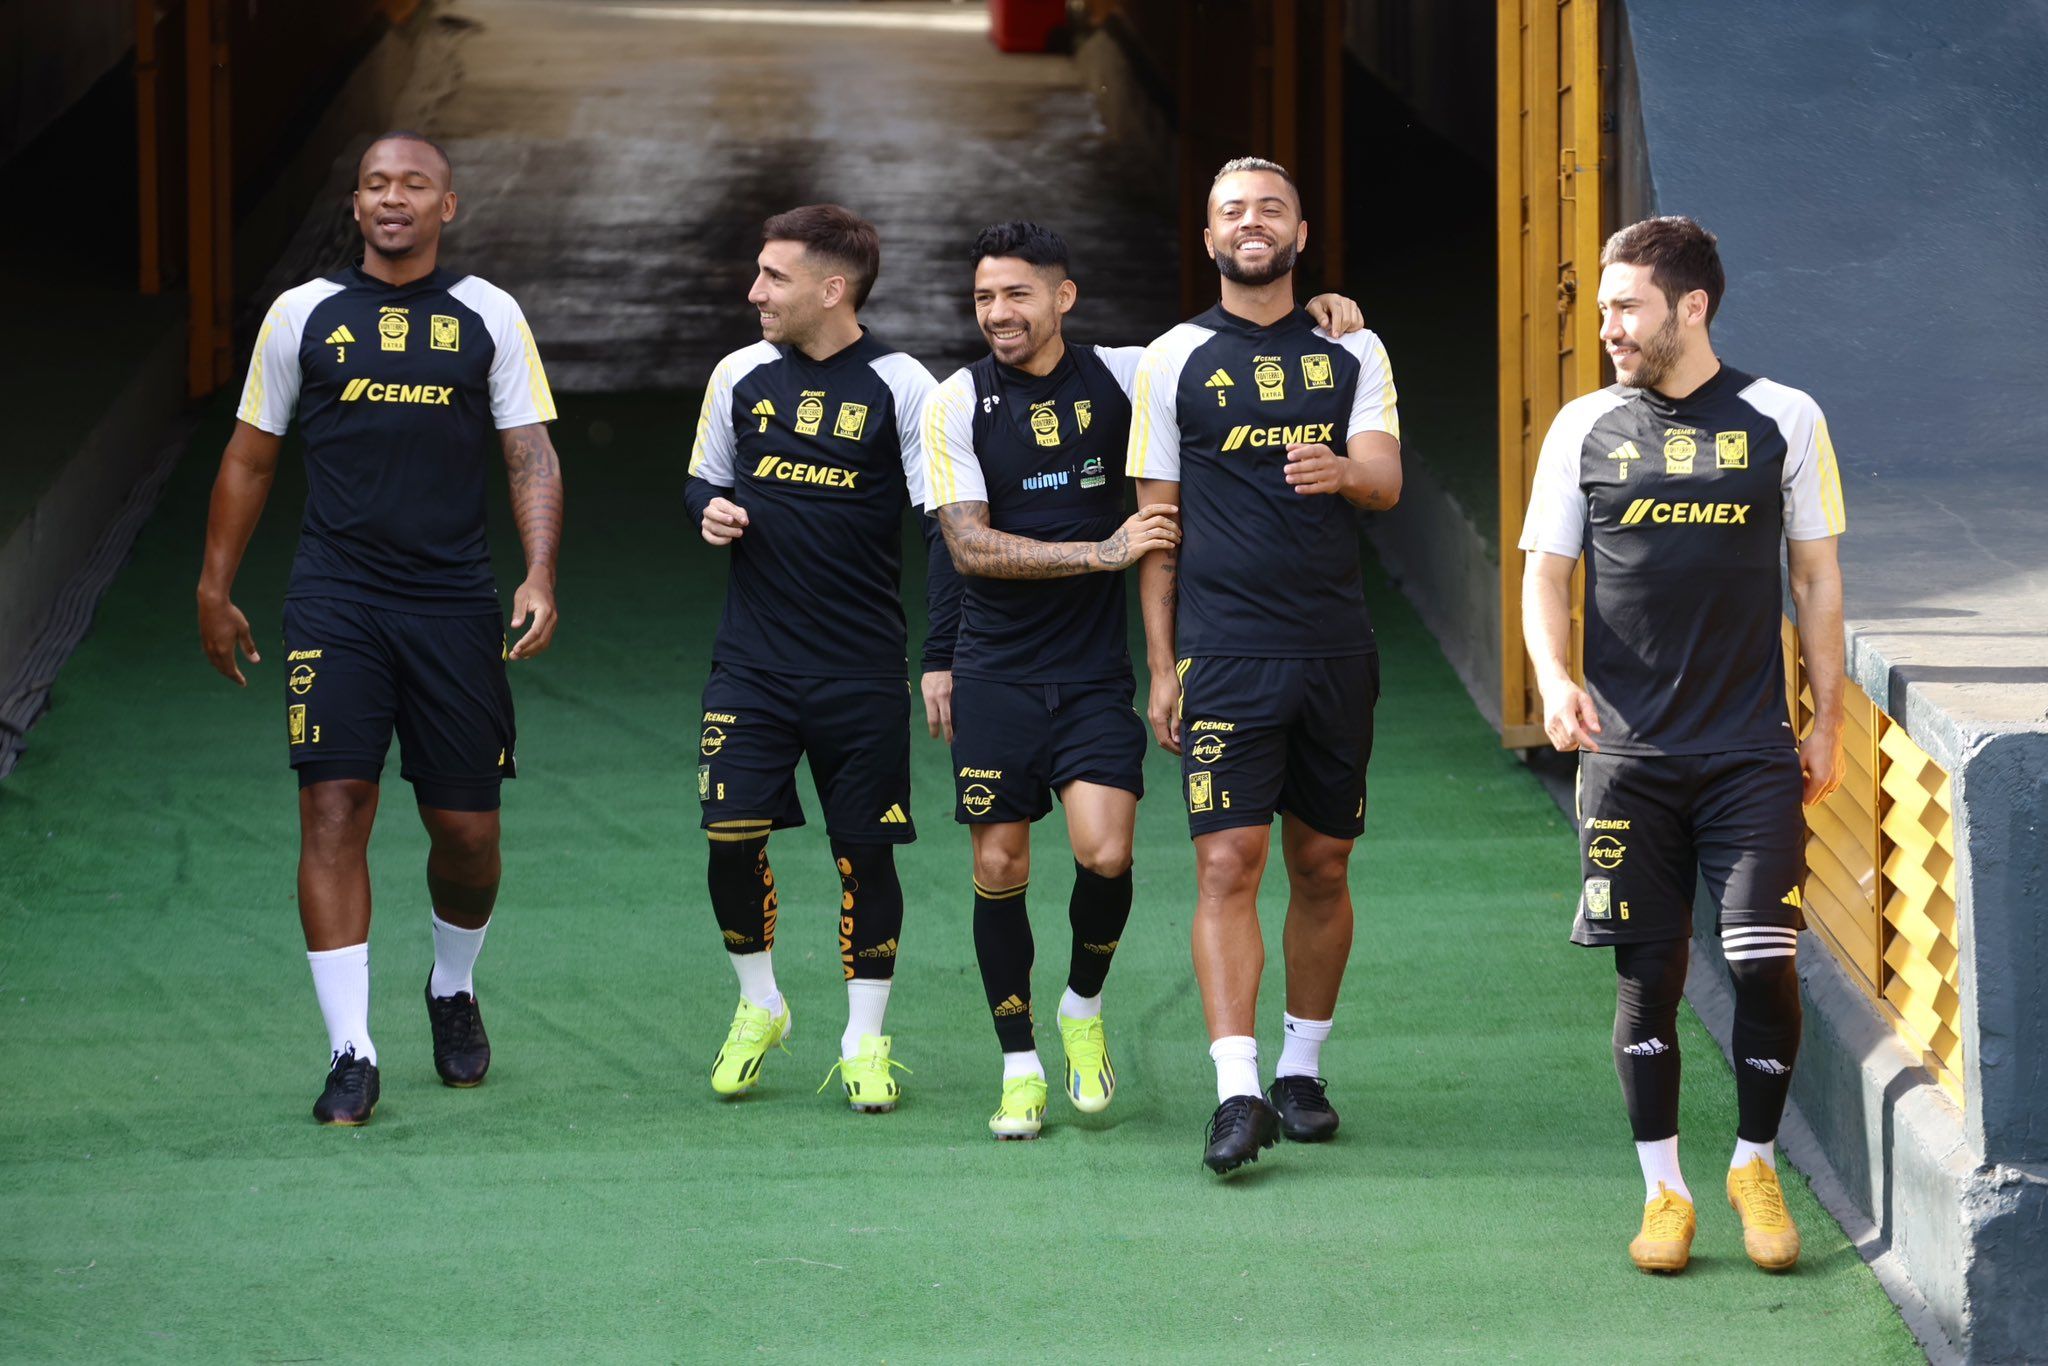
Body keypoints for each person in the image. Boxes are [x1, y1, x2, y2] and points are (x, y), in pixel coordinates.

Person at [922, 220, 1365, 1139]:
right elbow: (966, 545)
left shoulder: (1132, 373)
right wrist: (1103, 552)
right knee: (999, 863)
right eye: (984, 297)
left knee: (1107, 854)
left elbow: (1227, 341)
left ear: (1063, 297)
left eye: (1016, 294)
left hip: (1092, 671)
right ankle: (1018, 1065)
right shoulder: (957, 399)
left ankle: (1082, 1009)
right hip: (995, 667)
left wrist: (1318, 311)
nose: (997, 313)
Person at [198, 131, 564, 1126]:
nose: (391, 198)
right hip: (336, 600)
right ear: (355, 205)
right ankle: (350, 1050)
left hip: (453, 604)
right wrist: (214, 585)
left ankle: (452, 984)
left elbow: (529, 454)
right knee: (334, 807)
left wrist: (538, 571)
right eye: (373, 184)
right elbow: (250, 456)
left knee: (466, 832)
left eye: (412, 184)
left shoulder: (488, 313)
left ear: (447, 206)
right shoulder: (302, 313)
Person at [1518, 215, 1847, 1273]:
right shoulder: (1581, 426)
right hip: (1627, 761)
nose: (1608, 327)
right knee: (1647, 976)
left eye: (1626, 307)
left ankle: (1753, 1163)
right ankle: (1664, 1191)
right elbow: (1545, 575)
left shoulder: (1784, 416)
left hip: (1749, 750)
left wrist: (1827, 718)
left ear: (1690, 307)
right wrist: (1553, 678)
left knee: (1764, 966)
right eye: (1602, 309)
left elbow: (1815, 578)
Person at [1125, 158, 1401, 1174]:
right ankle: (1236, 1091)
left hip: (1333, 648)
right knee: (1224, 863)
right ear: (1208, 238)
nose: (1252, 222)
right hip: (1225, 652)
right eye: (1232, 211)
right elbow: (1157, 526)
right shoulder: (1171, 358)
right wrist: (1162, 666)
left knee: (1321, 863)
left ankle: (1301, 1071)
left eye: (1270, 209)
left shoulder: (1350, 345)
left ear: (1300, 232)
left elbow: (1385, 479)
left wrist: (1342, 470)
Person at [686, 204, 944, 1113]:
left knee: (864, 855)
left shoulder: (904, 385)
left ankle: (864, 1039)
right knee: (728, 836)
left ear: (833, 289)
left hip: (860, 669)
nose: (754, 291)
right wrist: (709, 510)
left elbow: (942, 525)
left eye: (773, 277)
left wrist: (944, 654)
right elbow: (702, 477)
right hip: (751, 663)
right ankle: (760, 1005)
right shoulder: (739, 373)